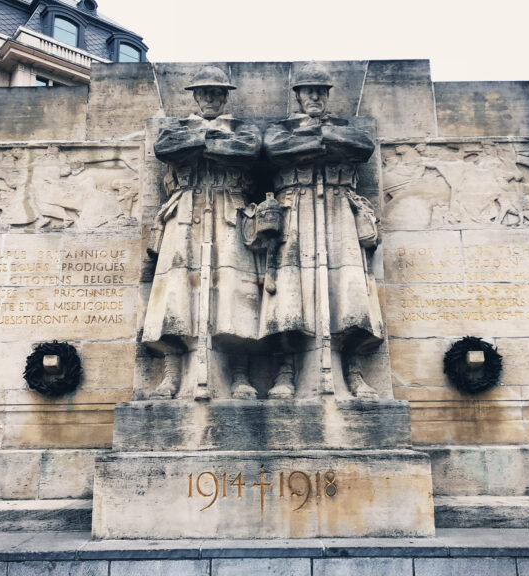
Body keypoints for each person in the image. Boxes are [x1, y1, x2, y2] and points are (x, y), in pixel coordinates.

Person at [262, 62, 384, 399]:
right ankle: (286, 370)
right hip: (296, 208)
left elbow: (361, 146)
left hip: (338, 208)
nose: (315, 95)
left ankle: (353, 371)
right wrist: (323, 141)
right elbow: (275, 149)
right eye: (308, 90)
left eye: (321, 90)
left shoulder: (344, 127)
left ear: (328, 95)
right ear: (298, 96)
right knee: (289, 296)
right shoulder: (279, 129)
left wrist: (318, 138)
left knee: (349, 294)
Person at [143, 66, 262, 400]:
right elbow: (166, 148)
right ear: (195, 96)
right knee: (175, 295)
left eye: (216, 92)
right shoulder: (176, 129)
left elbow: (248, 150)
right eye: (204, 92)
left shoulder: (242, 130)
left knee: (237, 296)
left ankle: (239, 374)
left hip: (228, 207)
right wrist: (210, 142)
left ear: (225, 96)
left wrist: (202, 145)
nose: (210, 98)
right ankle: (171, 373)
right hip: (185, 212)